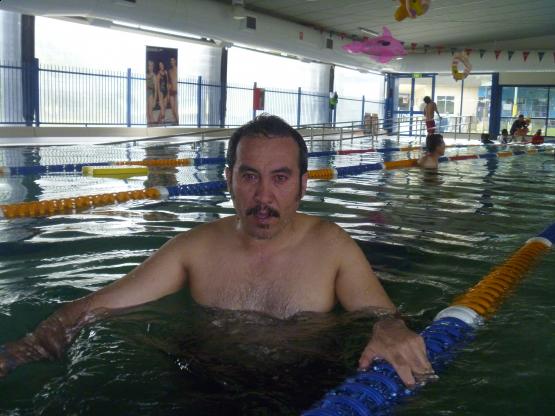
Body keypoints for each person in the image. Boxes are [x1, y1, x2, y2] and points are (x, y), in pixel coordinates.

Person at [0, 115, 433, 387]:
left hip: (308, 387)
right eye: (249, 176)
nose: (263, 196)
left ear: (304, 184)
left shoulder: (332, 247)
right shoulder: (194, 248)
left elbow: (384, 316)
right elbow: (100, 304)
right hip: (205, 386)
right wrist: (31, 344)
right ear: (228, 179)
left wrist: (390, 328)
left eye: (281, 178)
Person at [146, 60, 158, 126]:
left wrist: (154, 100)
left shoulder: (154, 76)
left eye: (151, 65)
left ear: (153, 66)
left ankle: (154, 128)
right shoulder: (145, 75)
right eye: (149, 65)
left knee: (150, 113)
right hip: (145, 94)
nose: (150, 67)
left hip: (150, 93)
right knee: (147, 113)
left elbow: (156, 90)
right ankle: (149, 128)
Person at [168, 56, 179, 124]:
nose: (172, 62)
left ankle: (177, 121)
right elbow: (169, 82)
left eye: (173, 60)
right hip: (172, 90)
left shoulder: (178, 69)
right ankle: (175, 121)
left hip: (177, 91)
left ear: (175, 61)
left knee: (176, 109)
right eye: (171, 61)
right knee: (172, 109)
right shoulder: (170, 71)